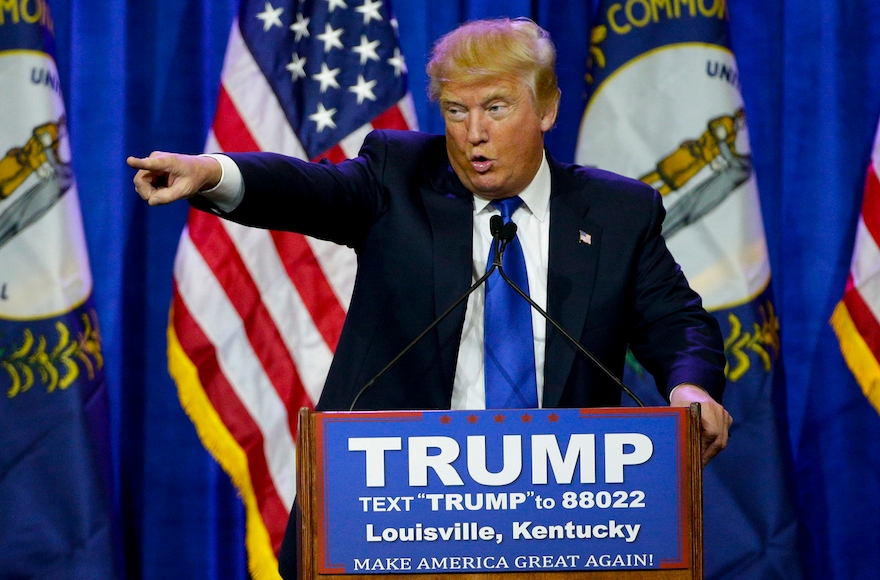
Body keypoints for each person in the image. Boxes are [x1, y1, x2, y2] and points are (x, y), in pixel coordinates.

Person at [129, 18, 732, 577]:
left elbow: (677, 322)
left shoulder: (617, 212)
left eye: (495, 108)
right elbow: (308, 189)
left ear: (545, 107)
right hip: (398, 515)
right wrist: (214, 173)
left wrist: (690, 386)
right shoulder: (399, 175)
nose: (474, 135)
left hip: (559, 518)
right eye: (456, 111)